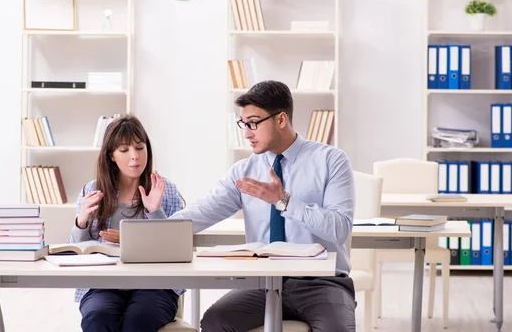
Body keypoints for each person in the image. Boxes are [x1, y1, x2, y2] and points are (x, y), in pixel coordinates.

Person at [145, 80, 357, 331]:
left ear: (280, 120)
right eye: (244, 124)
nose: (246, 133)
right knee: (215, 322)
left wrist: (284, 200)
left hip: (322, 283)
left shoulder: (331, 160)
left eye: (254, 123)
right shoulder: (245, 170)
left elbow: (340, 229)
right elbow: (202, 211)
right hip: (263, 284)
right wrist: (152, 227)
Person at [68, 113, 185, 332]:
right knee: (98, 318)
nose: (135, 156)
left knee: (137, 320)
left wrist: (154, 211)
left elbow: (176, 250)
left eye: (140, 148)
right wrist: (81, 221)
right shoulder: (93, 190)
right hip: (104, 284)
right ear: (111, 155)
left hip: (155, 286)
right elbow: (77, 252)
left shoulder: (165, 190)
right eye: (124, 150)